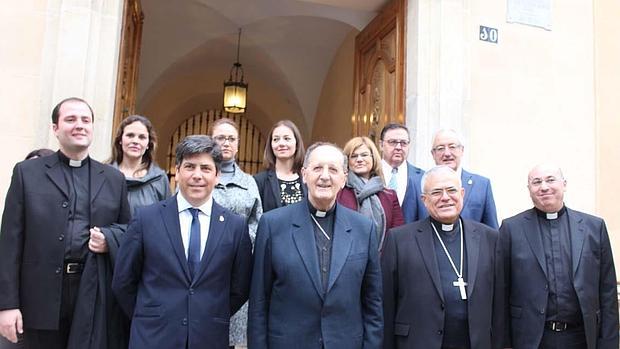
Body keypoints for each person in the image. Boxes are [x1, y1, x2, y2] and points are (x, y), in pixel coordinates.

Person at [0, 97, 131, 349]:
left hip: (91, 295)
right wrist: (6, 305)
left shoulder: (115, 179)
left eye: (86, 120)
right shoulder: (27, 173)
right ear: (55, 129)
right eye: (70, 119)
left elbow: (128, 232)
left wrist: (108, 240)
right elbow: (9, 243)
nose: (79, 125)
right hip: (37, 297)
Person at [112, 135, 253, 349]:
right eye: (189, 167)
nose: (197, 175)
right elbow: (123, 282)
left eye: (205, 168)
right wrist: (152, 316)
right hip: (153, 338)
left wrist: (206, 313)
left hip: (208, 337)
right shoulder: (146, 219)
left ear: (217, 175)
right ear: (177, 172)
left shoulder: (235, 226)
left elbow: (240, 287)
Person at [248, 142, 383, 349]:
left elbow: (372, 301)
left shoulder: (364, 229)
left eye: (333, 169)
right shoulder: (273, 224)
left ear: (344, 178)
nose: (325, 176)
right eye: (317, 168)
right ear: (304, 174)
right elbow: (259, 300)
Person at [382, 165, 503, 349]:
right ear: (424, 200)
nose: (445, 197)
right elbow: (386, 304)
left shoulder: (489, 238)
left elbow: (499, 302)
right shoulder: (399, 239)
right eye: (437, 192)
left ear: (462, 193)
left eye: (451, 190)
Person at [500, 164, 618, 349]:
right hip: (532, 339)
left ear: (564, 184)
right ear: (529, 189)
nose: (544, 187)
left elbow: (608, 292)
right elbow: (502, 291)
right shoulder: (511, 229)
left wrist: (609, 343)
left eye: (550, 180)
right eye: (536, 182)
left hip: (582, 337)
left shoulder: (593, 228)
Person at [210, 118, 262, 348]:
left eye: (231, 139)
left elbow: (257, 221)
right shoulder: (202, 175)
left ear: (238, 145)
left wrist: (238, 243)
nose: (226, 143)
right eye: (220, 138)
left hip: (237, 266)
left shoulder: (249, 182)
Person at [337, 136, 404, 250]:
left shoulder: (389, 195)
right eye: (353, 156)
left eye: (364, 155)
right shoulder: (339, 192)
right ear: (347, 161)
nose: (359, 159)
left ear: (374, 158)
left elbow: (398, 234)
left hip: (381, 262)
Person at [430, 129, 498, 228]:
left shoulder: (482, 185)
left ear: (461, 150)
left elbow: (492, 231)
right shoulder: (421, 185)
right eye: (440, 148)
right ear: (433, 154)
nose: (447, 153)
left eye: (452, 147)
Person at [108, 114, 171, 213]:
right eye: (130, 135)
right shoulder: (103, 175)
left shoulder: (159, 179)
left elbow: (166, 217)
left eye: (142, 137)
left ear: (148, 144)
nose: (135, 141)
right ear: (120, 140)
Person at [254, 120, 306, 213]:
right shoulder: (259, 181)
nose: (281, 143)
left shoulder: (308, 178)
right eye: (276, 139)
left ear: (297, 143)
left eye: (287, 138)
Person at [380, 123, 426, 224]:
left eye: (403, 143)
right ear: (381, 145)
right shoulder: (370, 174)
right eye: (392, 142)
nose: (398, 147)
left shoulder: (422, 177)